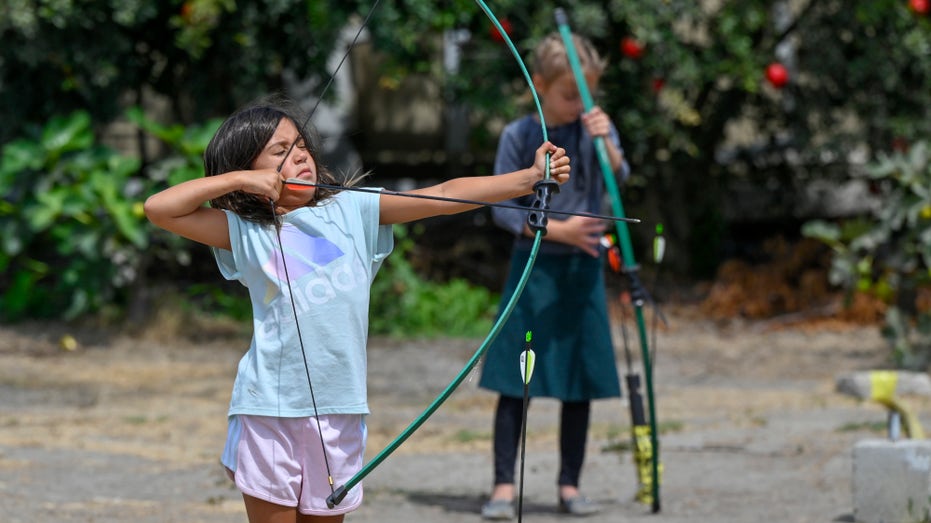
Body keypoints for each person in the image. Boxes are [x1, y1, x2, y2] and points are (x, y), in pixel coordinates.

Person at [143, 96, 570, 523]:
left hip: (340, 407)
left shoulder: (353, 209)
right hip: (269, 409)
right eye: (280, 152)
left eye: (302, 146)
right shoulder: (245, 231)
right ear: (250, 170)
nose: (300, 157)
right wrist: (238, 180)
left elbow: (443, 194)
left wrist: (528, 179)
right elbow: (159, 209)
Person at [478, 32, 630, 520]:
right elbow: (502, 208)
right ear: (539, 85)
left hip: (583, 269)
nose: (577, 106)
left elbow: (617, 177)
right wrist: (558, 230)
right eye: (568, 95)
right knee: (514, 375)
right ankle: (504, 485)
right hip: (534, 265)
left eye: (586, 95)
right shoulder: (520, 135)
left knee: (578, 378)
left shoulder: (596, 131)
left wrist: (606, 142)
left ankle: (570, 484)